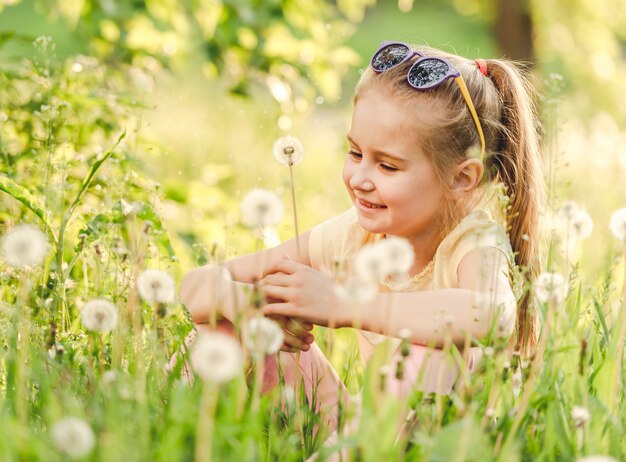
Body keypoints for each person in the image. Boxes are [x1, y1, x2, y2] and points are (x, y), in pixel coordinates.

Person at [178, 41, 544, 435]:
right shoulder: (351, 236)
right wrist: (243, 304)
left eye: (387, 165)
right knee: (226, 322)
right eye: (354, 153)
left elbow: (490, 316)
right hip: (364, 433)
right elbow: (197, 285)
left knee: (430, 351)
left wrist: (343, 304)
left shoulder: (472, 241)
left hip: (447, 442)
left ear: (461, 178)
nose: (359, 179)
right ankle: (180, 437)